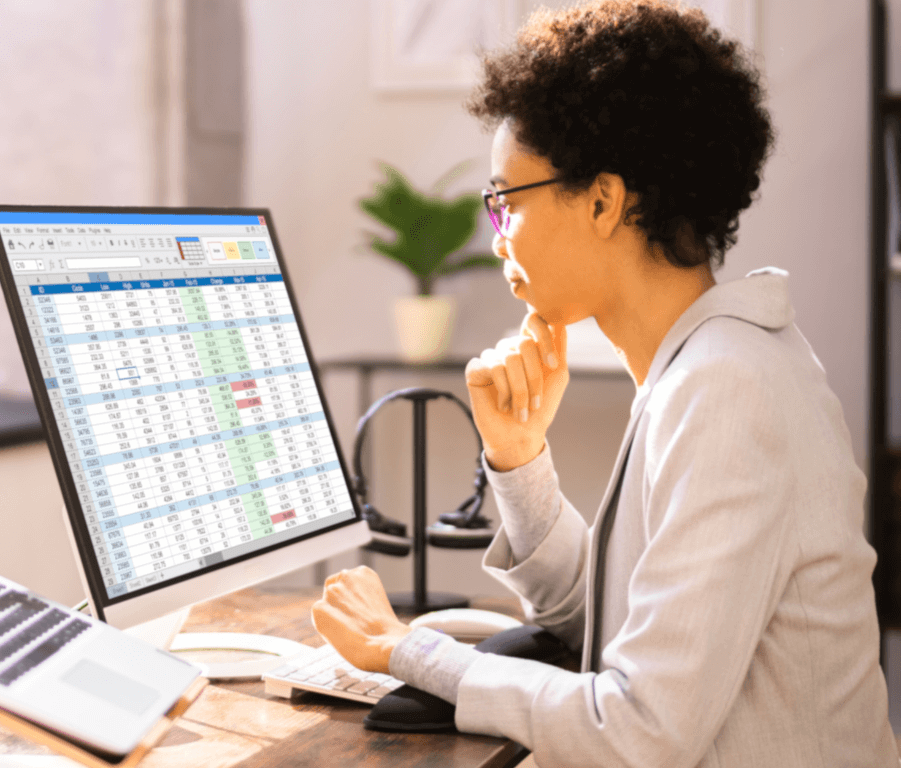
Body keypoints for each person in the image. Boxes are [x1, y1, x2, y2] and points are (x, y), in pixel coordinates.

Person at [311, 2, 899, 766]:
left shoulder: (728, 389)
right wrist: (521, 463)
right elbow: (616, 625)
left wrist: (407, 652)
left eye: (506, 202)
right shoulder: (702, 367)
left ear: (602, 199)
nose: (498, 238)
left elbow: (641, 729)